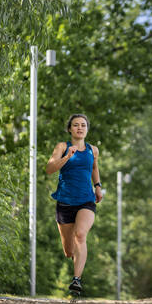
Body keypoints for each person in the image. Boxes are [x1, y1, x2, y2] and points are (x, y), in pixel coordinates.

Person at [46, 114, 103, 294]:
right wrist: (66, 157)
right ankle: (74, 261)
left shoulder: (93, 150)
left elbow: (94, 168)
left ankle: (76, 280)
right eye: (76, 125)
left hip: (86, 200)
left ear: (87, 129)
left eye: (83, 125)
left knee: (80, 235)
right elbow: (49, 169)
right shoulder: (62, 147)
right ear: (70, 129)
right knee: (69, 251)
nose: (80, 128)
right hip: (65, 202)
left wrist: (98, 186)